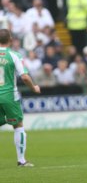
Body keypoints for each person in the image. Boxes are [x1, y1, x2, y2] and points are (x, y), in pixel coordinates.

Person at [0, 29, 41, 167]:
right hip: (9, 96)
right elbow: (24, 76)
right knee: (18, 125)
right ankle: (21, 160)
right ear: (10, 40)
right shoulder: (14, 55)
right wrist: (34, 87)